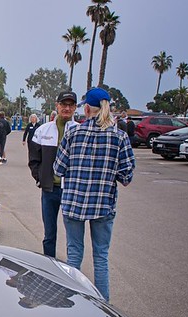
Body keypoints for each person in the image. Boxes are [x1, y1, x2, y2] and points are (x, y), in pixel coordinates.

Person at [54, 87, 135, 301]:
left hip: (74, 203)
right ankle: (103, 305)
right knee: (101, 257)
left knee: (74, 254)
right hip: (103, 205)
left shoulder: (73, 134)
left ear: (87, 109)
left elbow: (58, 169)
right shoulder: (119, 137)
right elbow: (126, 177)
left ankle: (73, 300)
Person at [28, 90, 79, 258]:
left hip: (71, 191)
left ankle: (72, 268)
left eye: (70, 105)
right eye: (63, 104)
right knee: (49, 234)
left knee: (74, 236)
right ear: (57, 105)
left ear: (75, 108)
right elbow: (34, 159)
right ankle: (49, 265)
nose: (67, 108)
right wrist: (40, 178)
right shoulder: (43, 130)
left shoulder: (80, 131)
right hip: (49, 190)